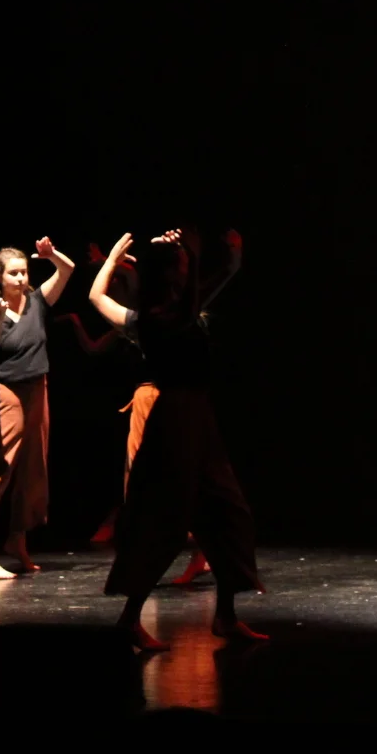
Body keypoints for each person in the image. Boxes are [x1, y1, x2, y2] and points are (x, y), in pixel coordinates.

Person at [90, 230, 263, 650]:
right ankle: (130, 619)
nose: (188, 272)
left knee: (228, 516)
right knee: (164, 523)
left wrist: (219, 256)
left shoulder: (165, 312)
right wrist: (193, 253)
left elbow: (97, 297)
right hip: (176, 423)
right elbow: (97, 298)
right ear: (171, 275)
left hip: (199, 421)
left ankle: (225, 617)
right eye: (183, 266)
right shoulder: (155, 318)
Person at [0, 238, 75, 578]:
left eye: (24, 272)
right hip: (7, 394)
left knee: (32, 469)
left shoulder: (37, 301)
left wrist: (51, 255)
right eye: (14, 273)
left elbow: (68, 269)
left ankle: (17, 541)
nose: (21, 278)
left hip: (38, 389)